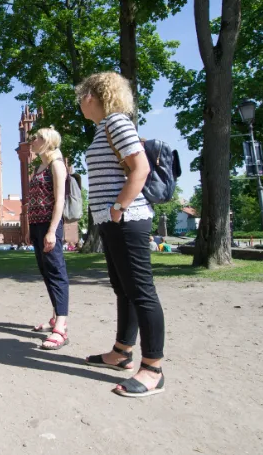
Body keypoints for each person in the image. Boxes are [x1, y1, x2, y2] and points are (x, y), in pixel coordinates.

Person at [77, 72, 166, 398]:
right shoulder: (104, 127)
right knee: (123, 288)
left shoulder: (117, 122)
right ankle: (121, 351)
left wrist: (119, 206)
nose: (79, 101)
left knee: (141, 291)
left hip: (127, 218)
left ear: (96, 96)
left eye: (82, 95)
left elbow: (139, 168)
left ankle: (153, 368)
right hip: (111, 220)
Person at [27, 127, 70, 350]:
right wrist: (29, 227)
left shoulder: (56, 164)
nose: (33, 140)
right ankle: (55, 317)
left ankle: (61, 326)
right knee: (46, 272)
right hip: (36, 225)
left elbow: (60, 200)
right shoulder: (39, 167)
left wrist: (52, 230)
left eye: (38, 138)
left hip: (49, 225)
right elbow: (33, 200)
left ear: (48, 142)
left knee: (56, 271)